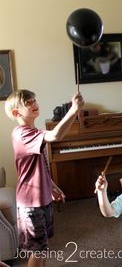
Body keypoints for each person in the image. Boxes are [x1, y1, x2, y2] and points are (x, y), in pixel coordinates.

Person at [4, 89, 84, 267]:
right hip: (30, 204)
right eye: (28, 102)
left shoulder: (34, 133)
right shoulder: (22, 134)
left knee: (43, 247)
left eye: (34, 100)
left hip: (43, 199)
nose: (34, 103)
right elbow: (56, 135)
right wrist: (74, 110)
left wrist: (53, 187)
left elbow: (40, 169)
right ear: (16, 113)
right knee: (37, 250)